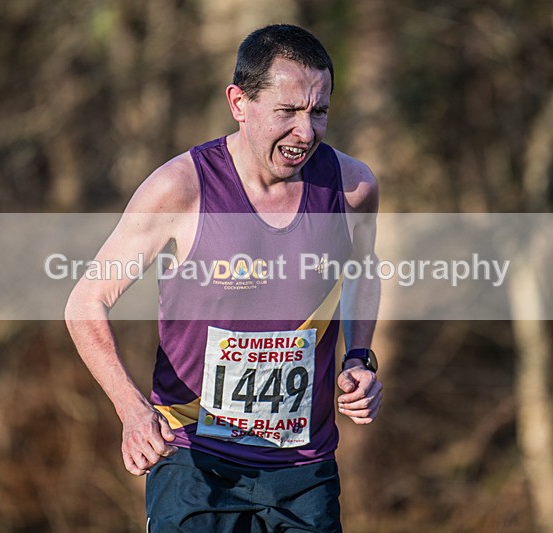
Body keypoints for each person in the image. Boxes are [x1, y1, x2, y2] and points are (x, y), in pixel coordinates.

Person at [66, 24, 383, 532]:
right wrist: (132, 410)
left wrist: (358, 357)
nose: (306, 132)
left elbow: (364, 270)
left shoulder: (352, 187)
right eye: (287, 111)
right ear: (239, 103)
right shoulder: (180, 188)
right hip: (194, 462)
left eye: (319, 111)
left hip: (305, 469)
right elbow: (86, 302)